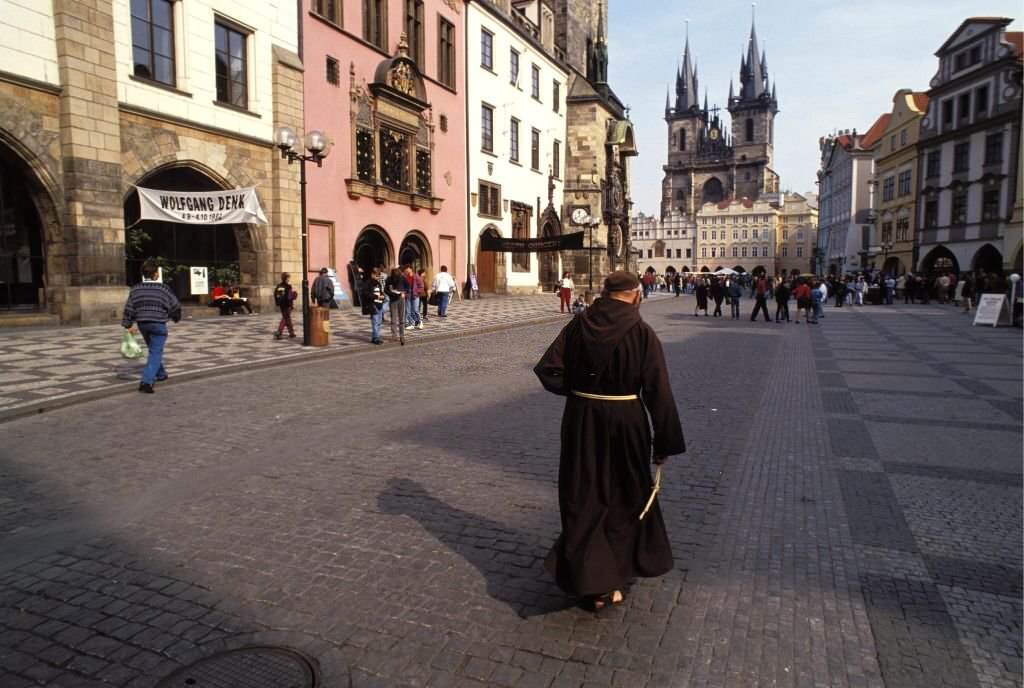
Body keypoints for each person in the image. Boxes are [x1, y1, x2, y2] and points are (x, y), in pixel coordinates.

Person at [534, 271, 684, 611]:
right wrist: (664, 443)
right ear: (634, 294)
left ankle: (591, 580)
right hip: (625, 420)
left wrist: (578, 392)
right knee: (624, 495)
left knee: (582, 492)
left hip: (581, 418)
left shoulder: (579, 324)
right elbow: (659, 390)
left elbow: (548, 370)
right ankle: (609, 580)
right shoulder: (642, 332)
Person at [121, 259, 181, 393]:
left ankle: (161, 374)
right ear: (155, 274)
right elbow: (175, 305)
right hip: (158, 324)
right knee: (155, 351)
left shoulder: (135, 289)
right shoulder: (163, 288)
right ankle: (146, 382)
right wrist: (175, 317)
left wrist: (128, 324)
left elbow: (129, 308)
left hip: (143, 324)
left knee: (154, 350)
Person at [364, 267, 387, 345]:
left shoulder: (378, 283)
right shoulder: (368, 283)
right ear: (372, 274)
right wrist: (377, 297)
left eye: (378, 275)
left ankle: (376, 337)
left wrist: (382, 296)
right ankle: (376, 338)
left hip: (380, 304)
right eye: (376, 275)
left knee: (379, 322)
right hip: (373, 304)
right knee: (375, 322)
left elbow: (380, 292)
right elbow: (366, 294)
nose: (377, 277)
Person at [385, 267, 406, 345]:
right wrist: (392, 294)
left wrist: (404, 293)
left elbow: (407, 287)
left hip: (401, 299)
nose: (395, 277)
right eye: (394, 275)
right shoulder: (389, 279)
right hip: (393, 299)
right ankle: (394, 335)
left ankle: (402, 336)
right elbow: (386, 290)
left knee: (401, 319)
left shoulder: (402, 278)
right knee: (393, 318)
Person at [273, 272, 297, 339]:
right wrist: (295, 294)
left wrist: (278, 303)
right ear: (286, 278)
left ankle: (291, 333)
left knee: (287, 318)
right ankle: (279, 332)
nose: (289, 279)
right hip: (288, 305)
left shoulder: (279, 286)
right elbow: (290, 297)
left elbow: (275, 295)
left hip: (281, 305)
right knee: (285, 318)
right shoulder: (288, 286)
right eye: (288, 278)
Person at [404, 265, 424, 330]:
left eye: (407, 269)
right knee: (408, 311)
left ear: (411, 269)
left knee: (415, 310)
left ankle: (420, 322)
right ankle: (411, 323)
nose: (406, 270)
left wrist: (417, 292)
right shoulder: (405, 277)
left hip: (415, 295)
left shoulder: (416, 277)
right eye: (406, 269)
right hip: (408, 295)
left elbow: (421, 286)